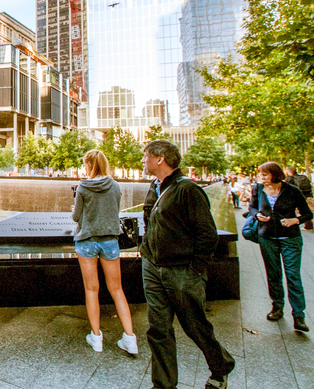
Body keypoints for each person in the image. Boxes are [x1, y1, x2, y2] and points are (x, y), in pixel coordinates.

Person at [140, 140, 234, 389]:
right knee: (158, 328)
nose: (143, 160)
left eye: (146, 156)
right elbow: (151, 223)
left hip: (181, 271)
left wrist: (194, 269)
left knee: (195, 326)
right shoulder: (155, 186)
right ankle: (163, 384)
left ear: (160, 159)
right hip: (152, 267)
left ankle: (221, 365)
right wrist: (147, 253)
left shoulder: (188, 190)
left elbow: (207, 234)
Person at [71, 149, 137, 355]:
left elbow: (75, 217)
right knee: (117, 289)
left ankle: (97, 338)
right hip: (110, 241)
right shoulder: (115, 186)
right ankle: (130, 339)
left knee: (92, 290)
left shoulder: (83, 187)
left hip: (87, 241)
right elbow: (113, 212)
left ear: (89, 166)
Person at [248, 162, 312, 331]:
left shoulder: (292, 190)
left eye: (264, 175)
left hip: (290, 239)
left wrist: (295, 220)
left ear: (275, 175)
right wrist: (257, 215)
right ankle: (277, 307)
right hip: (267, 238)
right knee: (273, 274)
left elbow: (308, 213)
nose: (260, 177)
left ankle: (299, 316)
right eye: (259, 174)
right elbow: (252, 207)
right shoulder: (258, 189)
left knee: (293, 276)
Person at [284, 166, 313, 230]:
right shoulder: (303, 177)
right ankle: (309, 226)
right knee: (306, 211)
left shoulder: (290, 179)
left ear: (290, 172)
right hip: (308, 195)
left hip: (297, 197)